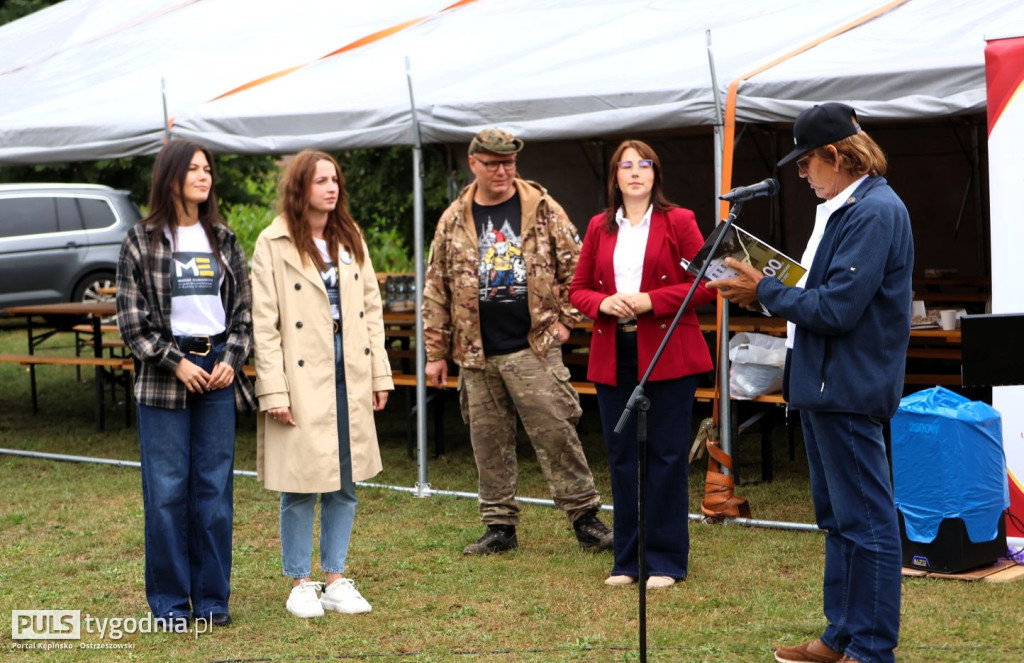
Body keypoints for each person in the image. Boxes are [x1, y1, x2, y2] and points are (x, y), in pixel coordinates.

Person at [709, 103, 912, 663]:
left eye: (805, 163)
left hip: (847, 385)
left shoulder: (874, 212)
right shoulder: (844, 208)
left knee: (865, 521)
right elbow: (819, 295)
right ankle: (841, 635)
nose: (801, 174)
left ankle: (870, 648)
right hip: (823, 383)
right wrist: (768, 289)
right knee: (840, 519)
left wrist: (763, 291)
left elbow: (839, 308)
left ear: (836, 155)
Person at [422, 128, 613, 555]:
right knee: (488, 443)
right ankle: (499, 527)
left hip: (534, 348)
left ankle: (585, 519)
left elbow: (580, 267)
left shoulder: (541, 208)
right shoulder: (454, 218)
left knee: (557, 434)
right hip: (476, 354)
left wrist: (566, 321)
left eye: (508, 163)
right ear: (473, 164)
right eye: (492, 164)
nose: (502, 171)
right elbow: (437, 287)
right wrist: (436, 352)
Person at [116, 139, 255, 627]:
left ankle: (213, 601)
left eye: (208, 169)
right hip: (165, 375)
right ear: (170, 177)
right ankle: (171, 605)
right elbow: (131, 322)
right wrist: (175, 363)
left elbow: (244, 313)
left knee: (214, 493)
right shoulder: (141, 240)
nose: (203, 176)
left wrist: (231, 359)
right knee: (167, 494)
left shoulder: (223, 238)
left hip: (217, 370)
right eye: (193, 169)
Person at [251, 150, 393, 619]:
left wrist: (379, 374)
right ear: (300, 188)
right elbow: (264, 324)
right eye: (320, 181)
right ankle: (300, 583)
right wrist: (274, 390)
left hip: (349, 367)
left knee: (344, 480)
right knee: (300, 481)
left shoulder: (350, 237)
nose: (331, 188)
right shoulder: (272, 242)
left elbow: (371, 311)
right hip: (300, 372)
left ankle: (335, 579)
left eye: (335, 180)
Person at [569, 140, 715, 589]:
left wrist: (653, 300)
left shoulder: (680, 220)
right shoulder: (599, 226)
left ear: (656, 174)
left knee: (666, 455)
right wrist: (603, 303)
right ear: (614, 176)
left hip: (668, 349)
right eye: (626, 165)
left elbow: (706, 283)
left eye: (644, 164)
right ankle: (628, 561)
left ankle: (666, 560)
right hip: (615, 350)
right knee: (622, 457)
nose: (635, 172)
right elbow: (577, 289)